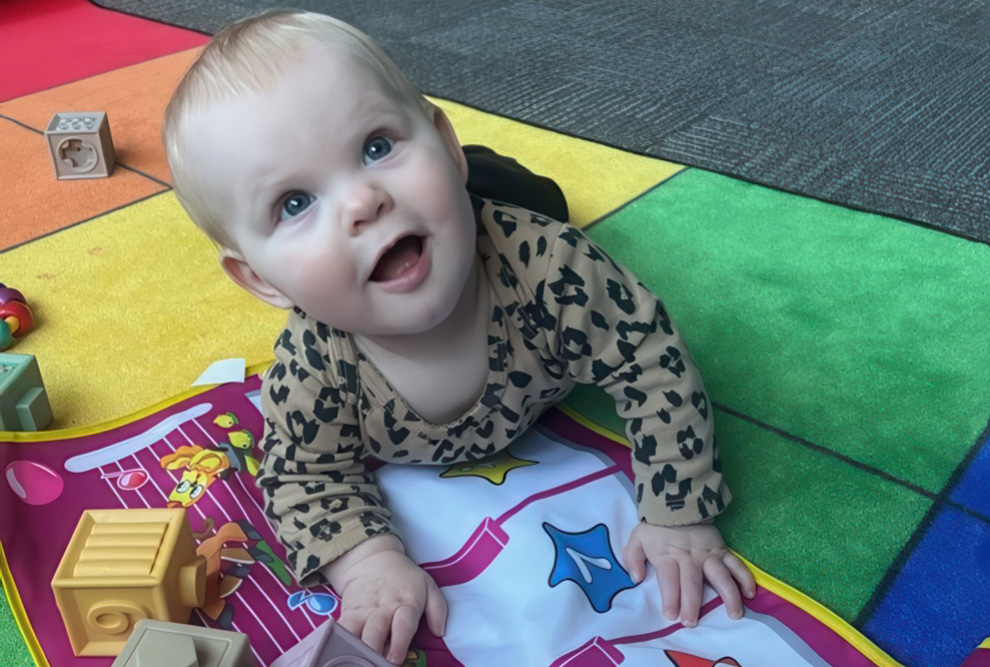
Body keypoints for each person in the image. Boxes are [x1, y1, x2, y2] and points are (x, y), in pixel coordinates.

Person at [162, 9, 755, 664]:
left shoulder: (550, 268)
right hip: (440, 206)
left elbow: (650, 357)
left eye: (377, 146)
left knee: (533, 193)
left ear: (440, 141)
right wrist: (366, 560)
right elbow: (301, 472)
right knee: (445, 197)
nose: (363, 201)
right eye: (295, 203)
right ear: (260, 279)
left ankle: (471, 168)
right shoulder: (315, 363)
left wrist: (679, 511)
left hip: (491, 205)